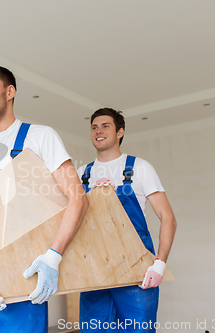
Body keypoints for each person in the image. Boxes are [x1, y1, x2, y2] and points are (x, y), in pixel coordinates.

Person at [0, 65, 89, 333]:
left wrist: (53, 257)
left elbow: (78, 200)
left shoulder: (40, 137)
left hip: (25, 269)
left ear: (10, 92)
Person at [76, 108, 177, 333]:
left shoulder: (139, 168)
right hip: (94, 272)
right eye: (94, 127)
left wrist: (159, 263)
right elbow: (72, 221)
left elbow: (167, 217)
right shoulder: (83, 173)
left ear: (120, 132)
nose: (98, 131)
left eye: (105, 126)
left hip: (135, 270)